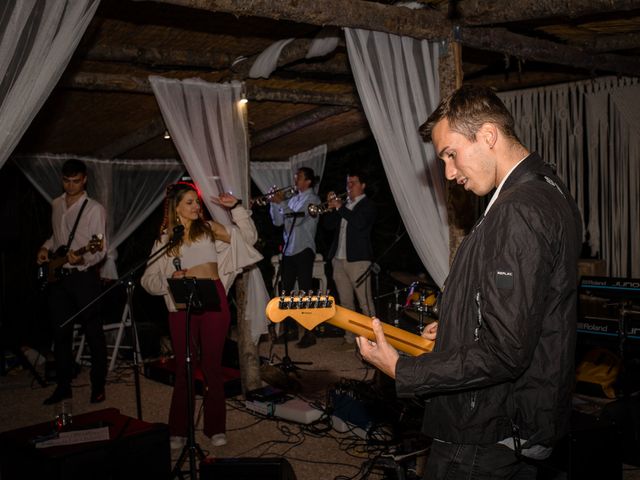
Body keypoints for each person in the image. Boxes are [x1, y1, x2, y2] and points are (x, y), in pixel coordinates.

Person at [357, 85, 582, 479]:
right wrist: (458, 324)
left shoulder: (519, 210)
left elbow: (504, 352)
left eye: (451, 154)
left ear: (488, 136)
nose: (449, 172)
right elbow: (525, 309)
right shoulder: (546, 189)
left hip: (487, 429)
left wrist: (403, 370)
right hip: (507, 422)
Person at [141, 182, 260, 450]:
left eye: (197, 202)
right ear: (176, 208)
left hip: (213, 298)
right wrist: (169, 278)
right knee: (184, 367)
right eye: (190, 203)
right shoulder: (164, 240)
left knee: (212, 367)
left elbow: (249, 239)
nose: (197, 207)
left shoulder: (209, 230)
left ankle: (215, 427)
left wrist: (238, 209)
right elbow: (147, 280)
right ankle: (179, 429)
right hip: (181, 303)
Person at [37, 159, 108, 405]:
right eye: (66, 180)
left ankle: (98, 386)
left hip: (83, 277)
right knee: (60, 333)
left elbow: (99, 249)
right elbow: (57, 236)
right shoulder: (56, 204)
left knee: (93, 332)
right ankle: (63, 386)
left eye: (75, 181)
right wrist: (45, 248)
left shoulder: (94, 209)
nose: (70, 185)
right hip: (59, 278)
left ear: (85, 179)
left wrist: (82, 259)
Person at [269, 167, 320, 348]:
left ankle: (309, 331)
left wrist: (282, 203)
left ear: (308, 181)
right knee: (287, 292)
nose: (295, 180)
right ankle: (289, 329)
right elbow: (278, 222)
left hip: (304, 249)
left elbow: (297, 220)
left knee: (305, 291)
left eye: (298, 178)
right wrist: (274, 203)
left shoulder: (313, 200)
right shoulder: (293, 199)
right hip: (289, 250)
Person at [323, 171, 376, 345]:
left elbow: (360, 223)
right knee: (345, 304)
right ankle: (350, 338)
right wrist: (332, 209)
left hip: (359, 260)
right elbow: (328, 226)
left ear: (363, 185)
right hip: (339, 259)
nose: (349, 186)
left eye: (353, 182)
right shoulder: (344, 205)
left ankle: (374, 340)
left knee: (365, 304)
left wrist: (340, 208)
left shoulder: (367, 205)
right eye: (348, 183)